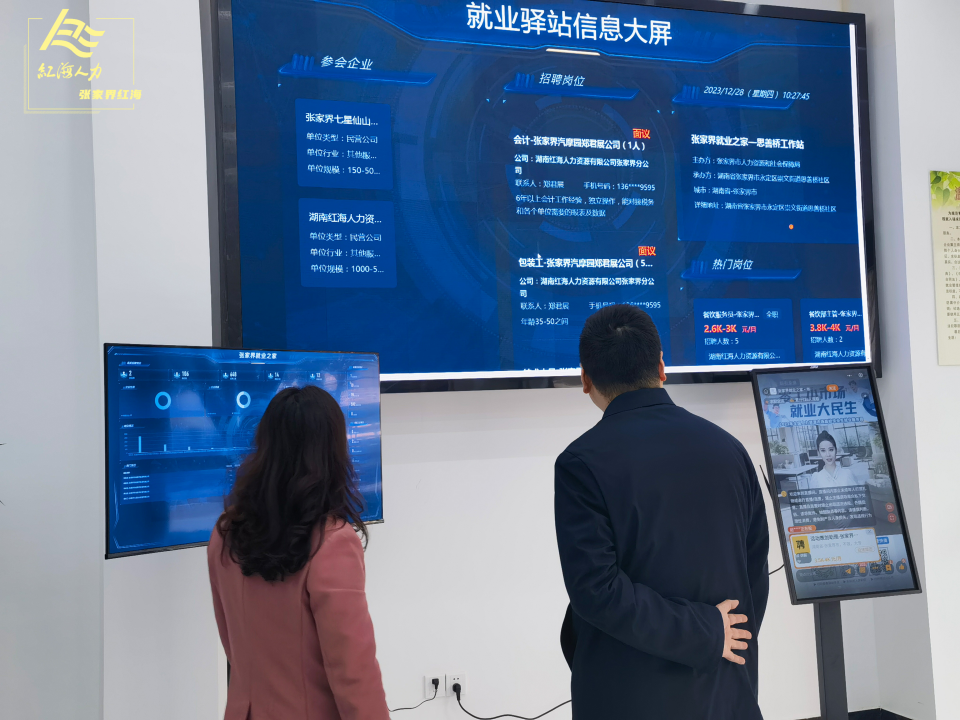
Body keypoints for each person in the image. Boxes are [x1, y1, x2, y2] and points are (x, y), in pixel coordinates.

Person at [555, 305, 769, 720]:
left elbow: (596, 590)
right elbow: (754, 574)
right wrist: (719, 638)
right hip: (724, 691)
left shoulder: (581, 463)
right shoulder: (729, 450)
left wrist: (706, 632)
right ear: (661, 367)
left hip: (626, 697)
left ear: (585, 379)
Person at [208, 385, 389, 720]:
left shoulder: (225, 533)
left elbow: (233, 645)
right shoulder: (333, 543)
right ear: (332, 452)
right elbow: (354, 674)